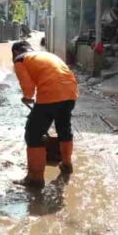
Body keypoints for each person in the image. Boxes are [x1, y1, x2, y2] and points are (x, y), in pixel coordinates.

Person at [11, 41, 78, 188]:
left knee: (33, 134)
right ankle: (66, 164)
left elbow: (27, 86)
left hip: (50, 93)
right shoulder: (45, 55)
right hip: (70, 92)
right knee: (64, 128)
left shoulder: (20, 59)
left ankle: (35, 178)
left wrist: (27, 97)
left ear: (15, 52)